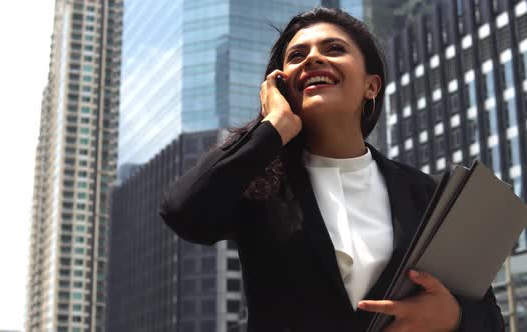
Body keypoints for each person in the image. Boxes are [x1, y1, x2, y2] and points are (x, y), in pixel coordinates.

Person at [159, 7, 503, 331]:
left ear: (372, 86)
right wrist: (272, 127)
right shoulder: (261, 185)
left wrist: (452, 315)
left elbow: (489, 316)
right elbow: (183, 212)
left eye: (334, 48)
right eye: (296, 56)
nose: (312, 58)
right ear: (280, 87)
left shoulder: (426, 194)